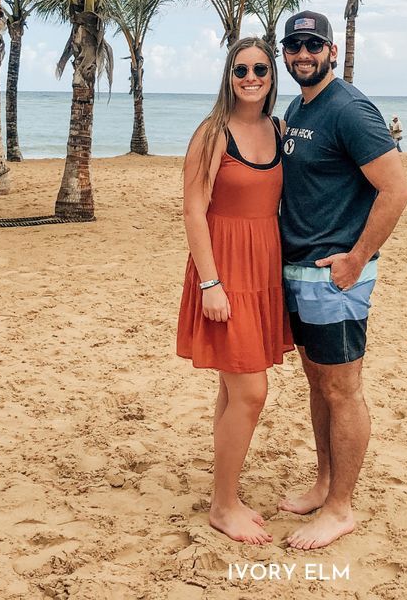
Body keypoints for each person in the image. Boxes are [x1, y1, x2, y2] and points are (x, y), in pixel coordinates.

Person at [277, 10, 407, 549]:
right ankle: (324, 484)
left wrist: (358, 258)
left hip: (335, 278)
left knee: (342, 389)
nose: (303, 54)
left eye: (313, 45)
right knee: (318, 385)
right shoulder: (298, 103)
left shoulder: (351, 110)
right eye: (294, 46)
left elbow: (396, 191)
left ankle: (340, 508)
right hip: (298, 271)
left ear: (332, 51)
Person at [176, 37, 293, 545]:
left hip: (264, 268)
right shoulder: (212, 133)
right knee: (251, 390)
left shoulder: (280, 129)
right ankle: (223, 504)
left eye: (261, 68)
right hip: (223, 271)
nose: (251, 76)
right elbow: (193, 210)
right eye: (241, 68)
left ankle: (227, 491)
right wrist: (210, 283)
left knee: (232, 389)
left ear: (272, 75)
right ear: (228, 74)